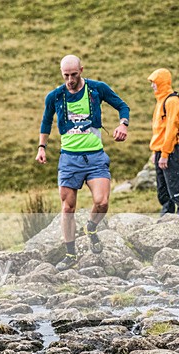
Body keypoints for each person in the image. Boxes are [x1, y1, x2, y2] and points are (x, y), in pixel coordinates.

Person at [36, 55, 129, 271]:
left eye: (74, 74)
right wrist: (42, 148)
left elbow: (123, 106)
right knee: (68, 208)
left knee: (102, 202)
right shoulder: (55, 96)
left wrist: (123, 124)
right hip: (69, 159)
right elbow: (46, 121)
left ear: (81, 70)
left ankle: (91, 227)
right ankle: (70, 255)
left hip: (95, 157)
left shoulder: (97, 89)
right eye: (66, 75)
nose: (70, 80)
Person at [148, 68, 179, 216]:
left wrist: (165, 153)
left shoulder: (172, 101)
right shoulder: (160, 101)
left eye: (154, 82)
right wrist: (156, 152)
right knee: (163, 189)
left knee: (174, 187)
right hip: (160, 151)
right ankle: (167, 215)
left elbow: (172, 128)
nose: (152, 85)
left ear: (162, 82)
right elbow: (159, 130)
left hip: (171, 150)